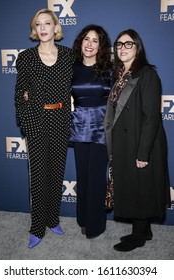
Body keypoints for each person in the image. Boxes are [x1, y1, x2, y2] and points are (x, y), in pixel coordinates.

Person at [104, 29, 170, 251]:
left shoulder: (147, 74)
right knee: (134, 187)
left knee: (140, 188)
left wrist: (144, 153)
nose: (122, 48)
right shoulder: (121, 74)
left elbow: (152, 117)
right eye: (119, 44)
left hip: (141, 142)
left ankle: (138, 236)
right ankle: (146, 230)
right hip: (126, 142)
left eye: (128, 44)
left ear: (137, 47)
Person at [15, 9, 74, 249]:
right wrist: (29, 123)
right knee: (39, 176)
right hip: (36, 121)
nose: (42, 28)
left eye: (47, 23)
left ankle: (52, 218)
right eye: (38, 24)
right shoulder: (27, 57)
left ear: (55, 27)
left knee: (56, 173)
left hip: (61, 118)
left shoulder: (70, 55)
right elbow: (21, 94)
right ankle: (37, 227)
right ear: (34, 29)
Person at [69, 25, 113, 238]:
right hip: (78, 127)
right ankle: (83, 219)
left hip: (101, 129)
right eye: (87, 39)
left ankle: (96, 225)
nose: (90, 44)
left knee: (96, 177)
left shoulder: (110, 69)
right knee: (83, 175)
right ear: (81, 42)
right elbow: (54, 91)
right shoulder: (71, 68)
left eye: (95, 40)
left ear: (101, 45)